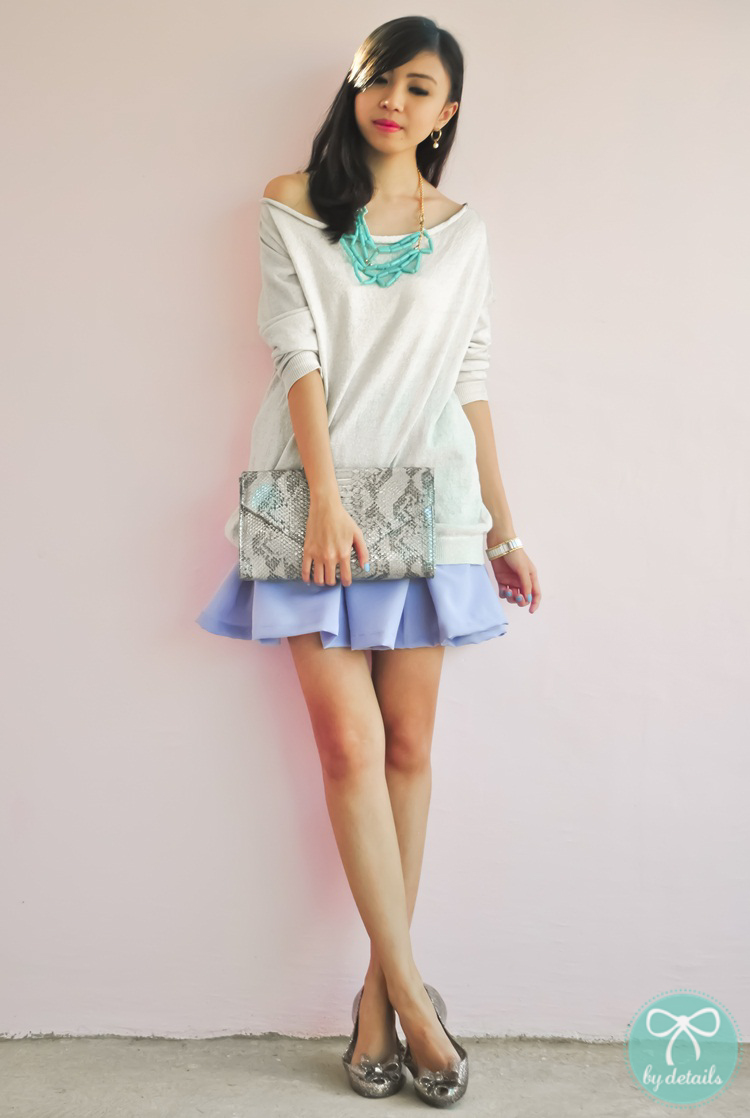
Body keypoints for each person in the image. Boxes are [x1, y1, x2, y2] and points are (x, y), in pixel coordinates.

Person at [197, 15, 542, 1107]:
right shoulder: (293, 202)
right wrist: (326, 502)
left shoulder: (465, 232)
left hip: (434, 506)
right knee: (348, 747)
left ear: (446, 113)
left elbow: (470, 379)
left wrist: (504, 528)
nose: (394, 99)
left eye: (419, 86)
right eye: (380, 79)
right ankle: (415, 999)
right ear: (356, 90)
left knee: (407, 744)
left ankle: (376, 999)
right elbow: (294, 351)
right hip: (314, 503)